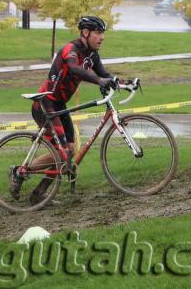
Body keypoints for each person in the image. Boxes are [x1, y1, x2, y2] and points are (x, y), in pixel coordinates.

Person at [9, 16, 118, 205]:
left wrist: (125, 83)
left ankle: (39, 194)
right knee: (60, 154)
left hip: (59, 106)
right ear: (85, 33)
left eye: (103, 33)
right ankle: (19, 171)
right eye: (98, 33)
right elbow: (75, 68)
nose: (102, 37)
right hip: (45, 105)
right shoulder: (71, 50)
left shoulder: (92, 54)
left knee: (68, 153)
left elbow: (105, 74)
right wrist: (99, 81)